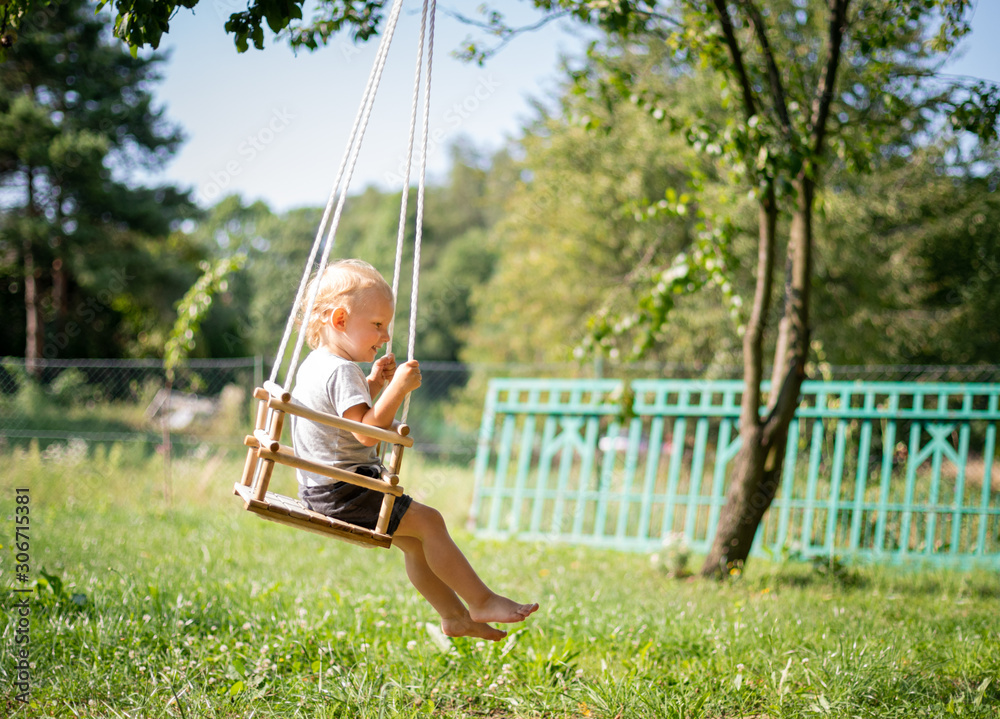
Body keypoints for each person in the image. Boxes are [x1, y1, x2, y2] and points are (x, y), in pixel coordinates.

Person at [291, 259, 538, 641]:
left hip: (320, 488)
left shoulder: (318, 365)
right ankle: (481, 600)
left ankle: (454, 616)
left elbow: (345, 417)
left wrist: (372, 384)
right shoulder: (341, 370)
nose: (385, 336)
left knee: (415, 544)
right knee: (430, 522)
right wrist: (397, 389)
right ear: (339, 320)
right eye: (377, 325)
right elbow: (367, 433)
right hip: (345, 490)